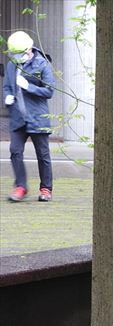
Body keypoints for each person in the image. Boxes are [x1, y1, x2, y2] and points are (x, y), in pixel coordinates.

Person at [3, 30, 55, 203]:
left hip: (37, 117)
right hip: (18, 117)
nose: (16, 57)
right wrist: (8, 96)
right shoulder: (12, 63)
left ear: (28, 49)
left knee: (43, 154)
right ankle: (20, 187)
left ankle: (46, 189)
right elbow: (7, 86)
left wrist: (28, 87)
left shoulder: (42, 64)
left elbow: (49, 91)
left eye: (18, 53)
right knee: (15, 151)